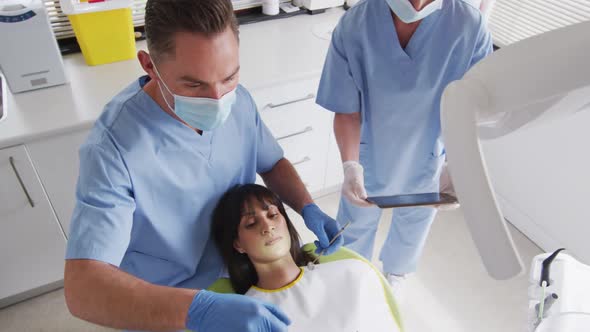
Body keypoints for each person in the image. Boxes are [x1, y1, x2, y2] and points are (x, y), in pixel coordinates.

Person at [63, 1, 343, 331]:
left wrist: (306, 204)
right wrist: (198, 309)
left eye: (230, 76)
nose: (217, 98)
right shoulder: (113, 149)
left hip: (236, 271)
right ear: (149, 65)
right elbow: (83, 289)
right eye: (194, 85)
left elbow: (271, 161)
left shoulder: (238, 102)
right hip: (168, 302)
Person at [316, 0, 494, 296]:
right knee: (353, 233)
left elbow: (473, 108)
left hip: (427, 159)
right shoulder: (356, 25)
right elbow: (347, 111)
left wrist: (460, 165)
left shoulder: (469, 27)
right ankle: (349, 281)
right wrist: (350, 167)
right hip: (368, 158)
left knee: (413, 227)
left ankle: (395, 277)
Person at [211, 184, 401, 331]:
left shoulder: (354, 273)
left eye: (272, 214)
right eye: (251, 223)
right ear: (238, 244)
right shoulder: (247, 318)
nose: (268, 226)